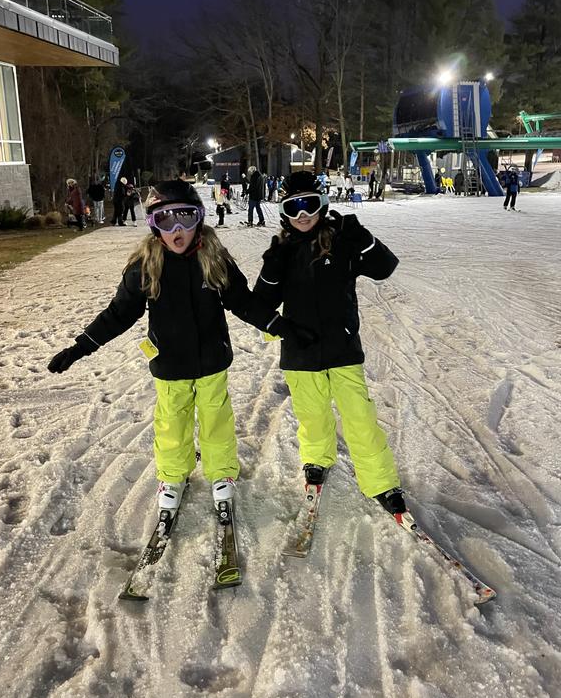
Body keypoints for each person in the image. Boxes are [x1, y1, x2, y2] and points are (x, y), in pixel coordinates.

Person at [47, 179, 310, 515]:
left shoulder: (213, 259)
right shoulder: (145, 266)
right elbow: (119, 314)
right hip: (170, 363)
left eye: (185, 217)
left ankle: (221, 473)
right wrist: (80, 347)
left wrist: (279, 325)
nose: (176, 229)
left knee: (216, 419)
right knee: (172, 422)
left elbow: (243, 301)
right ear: (153, 225)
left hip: (212, 359)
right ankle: (172, 476)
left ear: (198, 219)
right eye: (164, 219)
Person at [253, 171, 407, 516]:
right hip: (300, 351)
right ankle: (316, 459)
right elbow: (261, 303)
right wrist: (272, 267)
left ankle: (381, 482)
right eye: (294, 207)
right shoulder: (283, 251)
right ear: (284, 212)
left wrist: (363, 239)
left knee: (360, 418)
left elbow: (385, 268)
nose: (302, 214)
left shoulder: (341, 242)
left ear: (323, 204)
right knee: (312, 415)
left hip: (342, 349)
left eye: (309, 204)